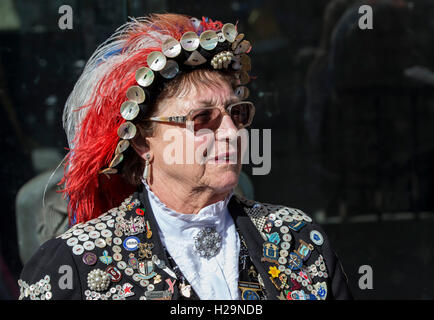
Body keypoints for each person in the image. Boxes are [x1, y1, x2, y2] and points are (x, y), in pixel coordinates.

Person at [18, 13, 352, 300]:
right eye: (202, 119)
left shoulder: (300, 242)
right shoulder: (75, 265)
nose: (230, 134)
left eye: (236, 114)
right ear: (144, 142)